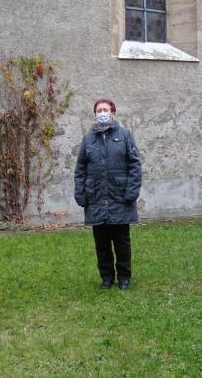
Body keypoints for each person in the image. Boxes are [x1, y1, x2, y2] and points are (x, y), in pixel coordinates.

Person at [74, 99, 142, 290]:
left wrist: (131, 191)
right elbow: (80, 168)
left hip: (120, 198)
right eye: (98, 110)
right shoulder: (88, 139)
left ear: (113, 112)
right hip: (96, 198)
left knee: (121, 242)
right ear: (94, 114)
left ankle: (124, 277)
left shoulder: (125, 135)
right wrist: (80, 193)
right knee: (101, 243)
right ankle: (106, 277)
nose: (102, 113)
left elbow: (135, 164)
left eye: (105, 109)